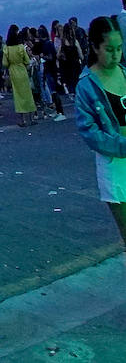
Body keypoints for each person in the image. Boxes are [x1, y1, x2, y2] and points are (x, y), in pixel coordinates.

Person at [74, 16, 126, 258]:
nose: (115, 55)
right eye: (109, 49)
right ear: (95, 47)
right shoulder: (87, 85)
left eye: (119, 48)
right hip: (113, 164)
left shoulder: (124, 73)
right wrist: (121, 146)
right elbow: (90, 132)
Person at [4, 26, 36, 127]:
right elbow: (27, 61)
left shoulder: (6, 48)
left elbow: (5, 63)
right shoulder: (21, 47)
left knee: (18, 96)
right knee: (28, 94)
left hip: (13, 72)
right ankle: (31, 118)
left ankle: (23, 120)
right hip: (22, 70)